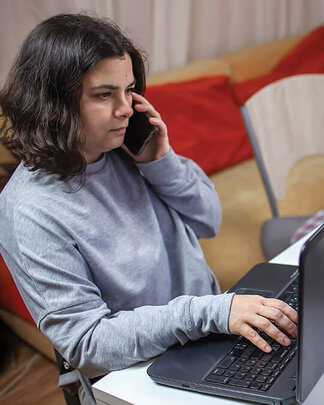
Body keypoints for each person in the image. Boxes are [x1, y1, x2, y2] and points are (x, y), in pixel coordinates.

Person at [0, 13, 297, 386]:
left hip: (206, 339)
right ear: (53, 103)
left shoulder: (129, 149)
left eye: (129, 91)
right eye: (105, 95)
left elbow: (208, 219)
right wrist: (211, 313)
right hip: (139, 375)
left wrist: (161, 161)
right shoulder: (29, 210)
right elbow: (88, 343)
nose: (126, 109)